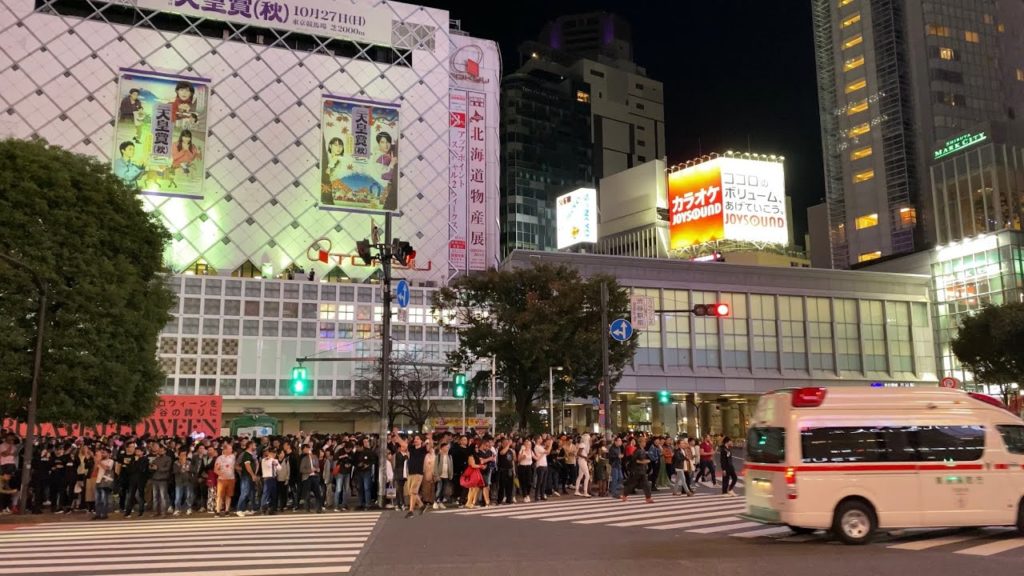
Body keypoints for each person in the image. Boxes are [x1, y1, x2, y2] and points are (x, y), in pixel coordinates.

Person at [91, 447, 115, 520]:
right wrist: (96, 462)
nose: (102, 454)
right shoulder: (100, 461)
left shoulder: (110, 461)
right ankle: (98, 514)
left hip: (105, 482)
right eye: (102, 453)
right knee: (97, 499)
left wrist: (99, 462)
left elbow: (107, 468)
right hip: (98, 481)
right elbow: (94, 470)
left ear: (108, 454)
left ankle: (104, 514)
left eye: (104, 453)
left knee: (104, 499)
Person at [299, 444, 323, 513]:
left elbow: (317, 466)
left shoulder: (315, 457)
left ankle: (319, 508)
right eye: (306, 449)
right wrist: (310, 470)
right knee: (307, 494)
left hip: (315, 476)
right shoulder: (304, 458)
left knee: (317, 493)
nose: (308, 450)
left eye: (308, 449)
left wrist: (317, 469)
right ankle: (307, 509)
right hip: (307, 477)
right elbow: (301, 469)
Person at [149, 445, 172, 517]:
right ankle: (155, 511)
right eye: (159, 450)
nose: (160, 452)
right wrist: (151, 467)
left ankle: (163, 512)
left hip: (163, 480)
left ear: (165, 451)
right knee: (155, 497)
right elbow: (152, 468)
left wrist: (157, 468)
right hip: (155, 479)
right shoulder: (156, 459)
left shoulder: (168, 458)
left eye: (162, 450)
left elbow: (167, 469)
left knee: (163, 497)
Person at [214, 443, 236, 517]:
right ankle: (218, 511)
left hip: (231, 478)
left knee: (229, 495)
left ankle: (227, 510)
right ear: (225, 449)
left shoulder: (233, 457)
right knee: (220, 496)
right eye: (230, 449)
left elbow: (236, 465)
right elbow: (215, 470)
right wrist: (222, 475)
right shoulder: (220, 458)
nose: (231, 450)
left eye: (231, 449)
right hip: (222, 480)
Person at [172, 450, 194, 515]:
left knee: (188, 496)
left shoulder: (189, 462)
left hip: (188, 481)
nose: (183, 457)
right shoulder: (176, 463)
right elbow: (175, 471)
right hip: (179, 482)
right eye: (181, 455)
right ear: (178, 456)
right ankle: (177, 509)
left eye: (184, 455)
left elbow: (193, 470)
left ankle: (188, 509)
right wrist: (181, 465)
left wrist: (189, 469)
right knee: (178, 496)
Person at [260, 447, 280, 514]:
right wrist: (271, 459)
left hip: (273, 478)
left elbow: (279, 468)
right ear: (269, 453)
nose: (274, 454)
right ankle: (263, 508)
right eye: (272, 453)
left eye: (275, 453)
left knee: (273, 494)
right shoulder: (265, 460)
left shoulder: (275, 460)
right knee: (266, 494)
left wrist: (275, 462)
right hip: (267, 478)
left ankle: (272, 509)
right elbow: (268, 465)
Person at [495, 437, 515, 505]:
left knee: (510, 486)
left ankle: (509, 499)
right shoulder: (501, 449)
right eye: (505, 443)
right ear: (502, 444)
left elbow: (512, 461)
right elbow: (502, 453)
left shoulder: (510, 451)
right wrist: (508, 445)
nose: (507, 444)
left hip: (510, 470)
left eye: (507, 443)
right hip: (503, 470)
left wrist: (513, 470)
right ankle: (499, 500)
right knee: (502, 486)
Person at [433, 441, 453, 509]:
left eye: (447, 447)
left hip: (446, 475)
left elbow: (451, 467)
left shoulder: (449, 456)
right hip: (440, 475)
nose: (447, 448)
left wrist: (451, 475)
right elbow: (435, 467)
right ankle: (435, 502)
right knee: (439, 489)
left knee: (444, 490)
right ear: (442, 448)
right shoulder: (438, 456)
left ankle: (440, 502)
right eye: (446, 447)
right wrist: (437, 476)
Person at [516, 439, 533, 503]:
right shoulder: (522, 450)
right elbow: (518, 460)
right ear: (525, 445)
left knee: (529, 482)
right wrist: (522, 457)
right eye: (528, 444)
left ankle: (528, 494)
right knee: (523, 482)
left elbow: (535, 457)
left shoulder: (531, 451)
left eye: (530, 444)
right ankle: (524, 496)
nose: (529, 445)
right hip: (522, 467)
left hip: (529, 467)